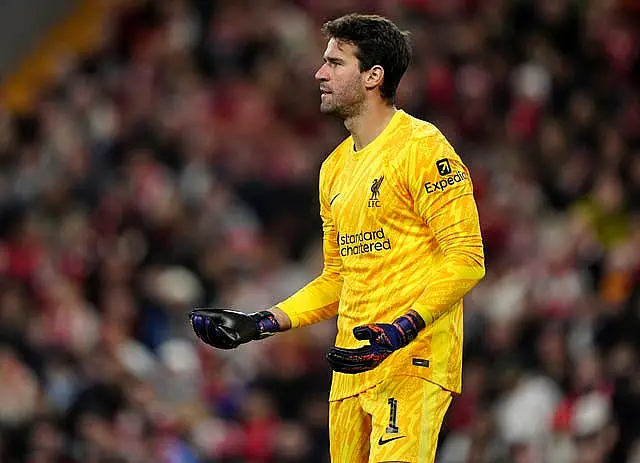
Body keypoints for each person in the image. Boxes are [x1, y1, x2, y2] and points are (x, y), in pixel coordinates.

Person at [190, 13, 485, 463]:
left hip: (411, 361)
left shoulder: (423, 148)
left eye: (334, 62)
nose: (319, 73)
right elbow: (338, 278)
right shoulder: (334, 169)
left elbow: (467, 257)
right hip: (350, 370)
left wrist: (403, 327)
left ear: (373, 76)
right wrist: (261, 323)